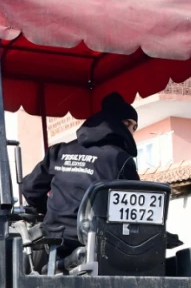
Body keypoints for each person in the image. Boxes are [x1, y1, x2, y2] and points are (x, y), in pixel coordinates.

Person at [20, 92, 140, 264]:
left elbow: (29, 189)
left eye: (135, 127)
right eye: (128, 124)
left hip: (52, 240)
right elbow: (133, 208)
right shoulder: (119, 159)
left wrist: (55, 210)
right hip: (96, 244)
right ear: (114, 123)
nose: (131, 130)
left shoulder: (59, 151)